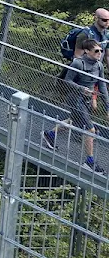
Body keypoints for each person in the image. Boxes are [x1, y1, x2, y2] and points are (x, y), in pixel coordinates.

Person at [42, 34, 108, 173]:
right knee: (89, 129)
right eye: (96, 51)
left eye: (101, 51)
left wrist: (107, 106)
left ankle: (50, 134)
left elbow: (102, 86)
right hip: (75, 99)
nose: (100, 53)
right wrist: (80, 88)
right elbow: (67, 80)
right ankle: (89, 162)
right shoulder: (78, 63)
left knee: (75, 121)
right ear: (87, 51)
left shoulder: (99, 66)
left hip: (87, 100)